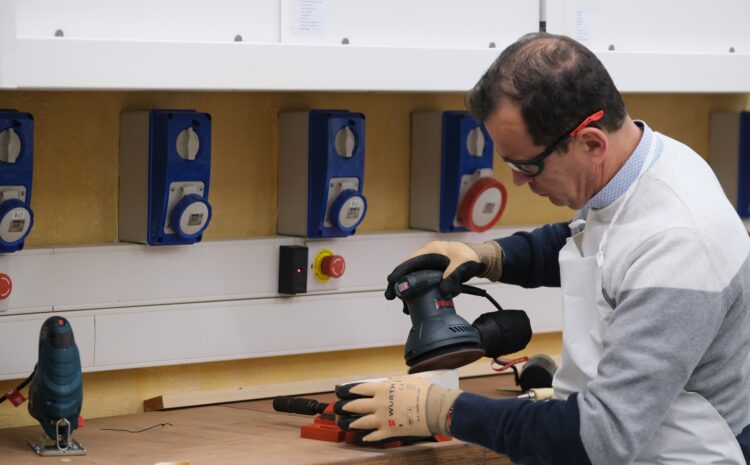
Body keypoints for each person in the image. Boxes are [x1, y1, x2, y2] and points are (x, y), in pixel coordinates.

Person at [334, 32, 750, 465]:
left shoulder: (680, 244)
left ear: (591, 143)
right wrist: (489, 258)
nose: (517, 181)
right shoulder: (646, 167)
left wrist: (442, 410)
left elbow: (597, 437)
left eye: (527, 165)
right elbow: (597, 242)